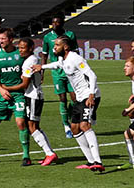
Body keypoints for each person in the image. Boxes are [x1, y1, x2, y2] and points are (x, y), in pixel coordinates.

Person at [33, 36, 104, 172]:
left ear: (65, 47)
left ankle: (98, 161)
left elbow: (92, 75)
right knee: (74, 128)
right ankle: (90, 161)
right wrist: (42, 67)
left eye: (57, 45)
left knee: (84, 125)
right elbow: (57, 65)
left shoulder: (76, 58)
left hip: (89, 95)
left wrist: (91, 95)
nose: (54, 48)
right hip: (79, 97)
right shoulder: (63, 59)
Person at [0, 28, 30, 165]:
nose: (0, 41)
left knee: (20, 123)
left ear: (11, 39)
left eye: (3, 38)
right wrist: (1, 90)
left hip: (19, 95)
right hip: (3, 95)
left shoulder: (20, 53)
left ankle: (26, 156)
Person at [16, 37, 57, 166]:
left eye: (23, 48)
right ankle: (49, 153)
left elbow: (25, 84)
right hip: (32, 95)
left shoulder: (31, 61)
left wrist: (6, 88)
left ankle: (49, 153)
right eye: (19, 48)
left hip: (33, 96)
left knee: (32, 126)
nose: (20, 50)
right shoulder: (30, 60)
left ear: (30, 48)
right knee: (34, 126)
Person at [41, 15, 75, 137]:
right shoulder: (47, 37)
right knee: (63, 99)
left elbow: (75, 51)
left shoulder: (70, 35)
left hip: (70, 71)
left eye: (57, 23)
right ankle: (66, 126)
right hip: (57, 72)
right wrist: (42, 72)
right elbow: (44, 55)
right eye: (53, 23)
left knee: (75, 99)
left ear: (62, 23)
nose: (55, 25)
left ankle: (70, 115)